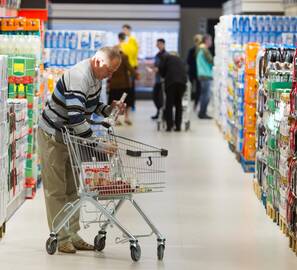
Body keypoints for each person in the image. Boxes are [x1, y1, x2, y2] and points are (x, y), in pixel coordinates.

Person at [37, 47, 125, 254]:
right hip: (53, 136)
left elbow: (90, 105)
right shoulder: (78, 76)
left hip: (71, 138)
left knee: (73, 189)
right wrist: (99, 145)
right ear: (97, 61)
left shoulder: (97, 76)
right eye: (109, 71)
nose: (110, 75)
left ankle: (74, 235)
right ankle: (60, 237)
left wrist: (109, 109)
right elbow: (77, 119)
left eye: (113, 72)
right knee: (57, 189)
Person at [109, 33, 136, 125]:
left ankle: (116, 119)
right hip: (124, 83)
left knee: (115, 102)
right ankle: (126, 117)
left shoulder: (111, 58)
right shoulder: (124, 57)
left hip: (114, 84)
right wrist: (136, 75)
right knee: (126, 101)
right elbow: (130, 68)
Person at [159, 52, 187, 132]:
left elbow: (162, 69)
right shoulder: (180, 60)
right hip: (182, 83)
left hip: (171, 82)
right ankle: (178, 126)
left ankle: (169, 126)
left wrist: (163, 76)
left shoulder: (167, 58)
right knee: (178, 104)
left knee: (169, 104)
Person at [121, 24, 139, 110]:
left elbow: (132, 52)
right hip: (126, 66)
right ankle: (127, 103)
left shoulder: (132, 39)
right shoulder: (126, 40)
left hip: (131, 66)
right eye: (123, 30)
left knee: (131, 87)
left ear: (129, 30)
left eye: (125, 30)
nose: (124, 31)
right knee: (126, 87)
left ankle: (132, 104)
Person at [196, 34, 213, 120]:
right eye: (210, 40)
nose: (211, 42)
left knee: (203, 95)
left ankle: (201, 112)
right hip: (206, 74)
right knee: (206, 96)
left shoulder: (199, 49)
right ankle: (203, 113)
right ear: (206, 40)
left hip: (201, 74)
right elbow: (211, 60)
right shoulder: (204, 49)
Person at [151, 38, 168, 120]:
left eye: (158, 43)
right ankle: (159, 111)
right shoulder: (157, 55)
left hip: (163, 80)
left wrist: (159, 69)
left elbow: (165, 67)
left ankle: (163, 114)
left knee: (162, 98)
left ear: (163, 44)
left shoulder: (166, 55)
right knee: (155, 97)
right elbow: (156, 65)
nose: (157, 45)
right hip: (157, 80)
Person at [187, 34, 202, 109]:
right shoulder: (192, 50)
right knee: (190, 88)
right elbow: (188, 61)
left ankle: (195, 104)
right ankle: (190, 103)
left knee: (198, 88)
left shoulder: (202, 51)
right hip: (193, 72)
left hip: (199, 72)